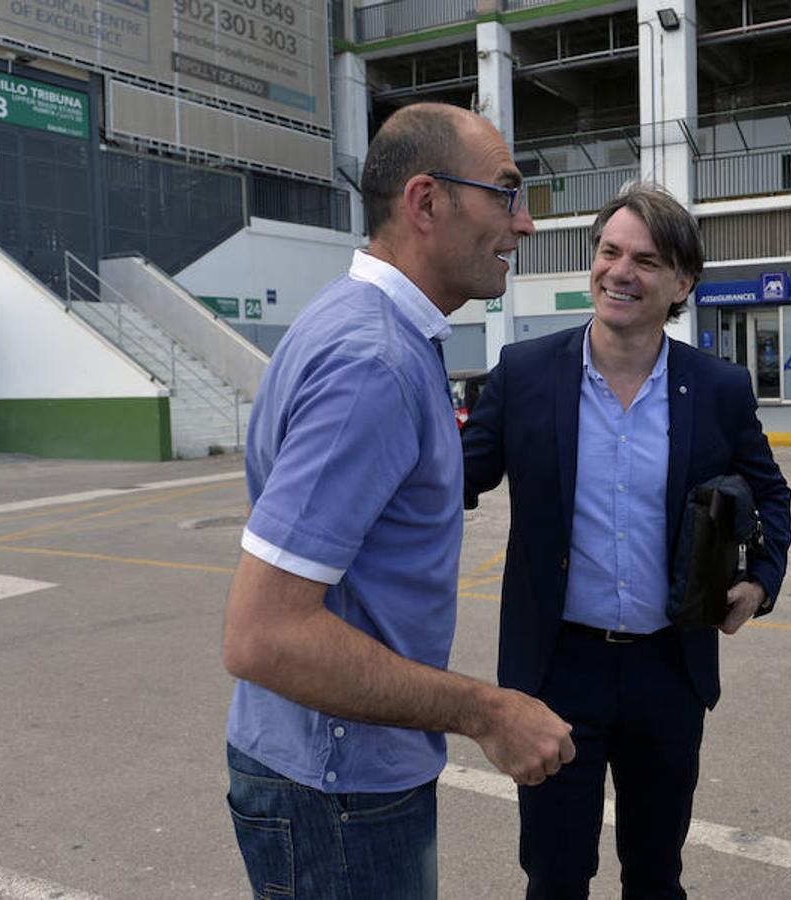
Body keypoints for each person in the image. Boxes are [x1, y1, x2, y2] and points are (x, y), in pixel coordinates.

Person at [220, 103, 575, 900]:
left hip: (328, 774)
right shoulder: (372, 363)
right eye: (506, 194)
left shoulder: (371, 332)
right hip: (336, 791)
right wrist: (488, 712)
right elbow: (265, 634)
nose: (522, 224)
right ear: (425, 202)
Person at [462, 184, 791, 899]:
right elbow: (452, 482)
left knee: (655, 873)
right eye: (610, 251)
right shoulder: (525, 375)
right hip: (556, 670)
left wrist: (760, 579)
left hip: (668, 670)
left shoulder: (718, 389)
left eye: (646, 260)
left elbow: (771, 493)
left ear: (682, 283)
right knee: (554, 876)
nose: (620, 271)